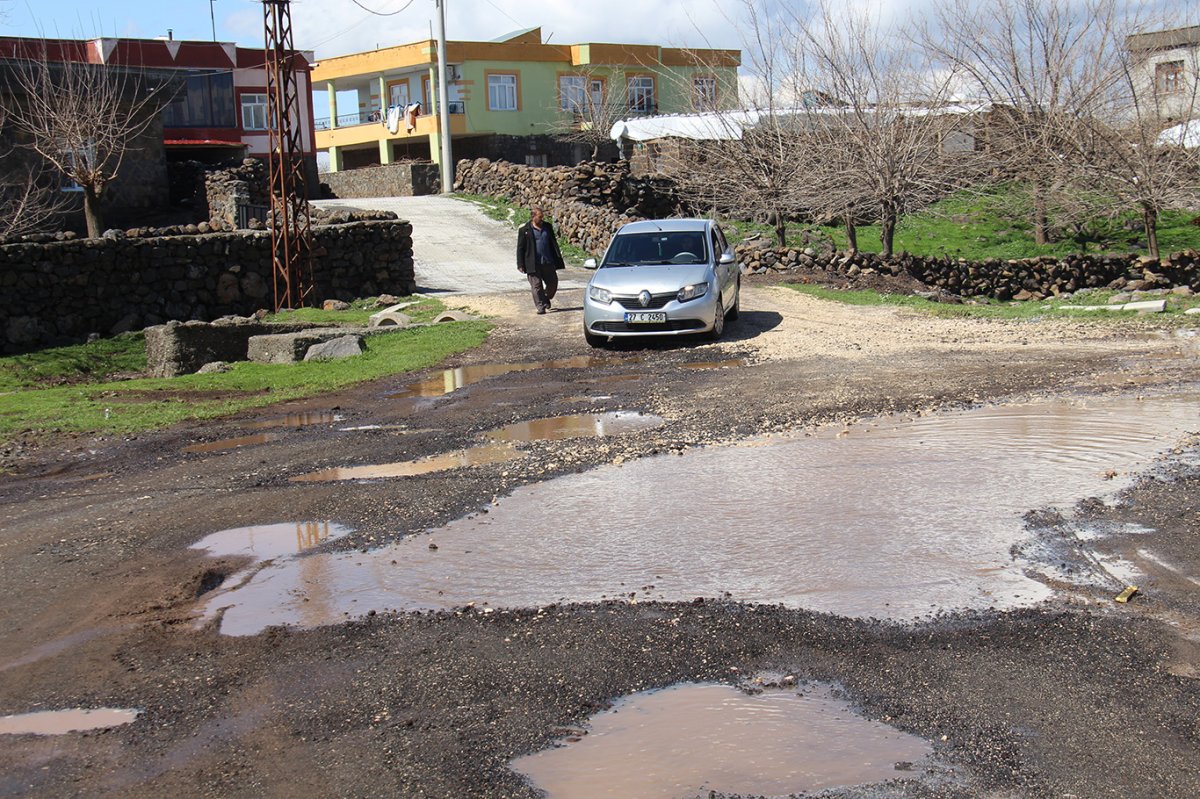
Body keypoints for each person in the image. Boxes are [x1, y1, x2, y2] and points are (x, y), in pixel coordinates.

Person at [515, 207, 565, 314]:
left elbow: (553, 244)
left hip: (548, 262)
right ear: (533, 217)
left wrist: (557, 258)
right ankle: (540, 306)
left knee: (553, 283)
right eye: (540, 217)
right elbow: (520, 248)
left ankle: (545, 298)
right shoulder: (525, 230)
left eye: (542, 216)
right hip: (533, 263)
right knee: (536, 286)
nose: (542, 219)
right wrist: (520, 264)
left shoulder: (547, 227)